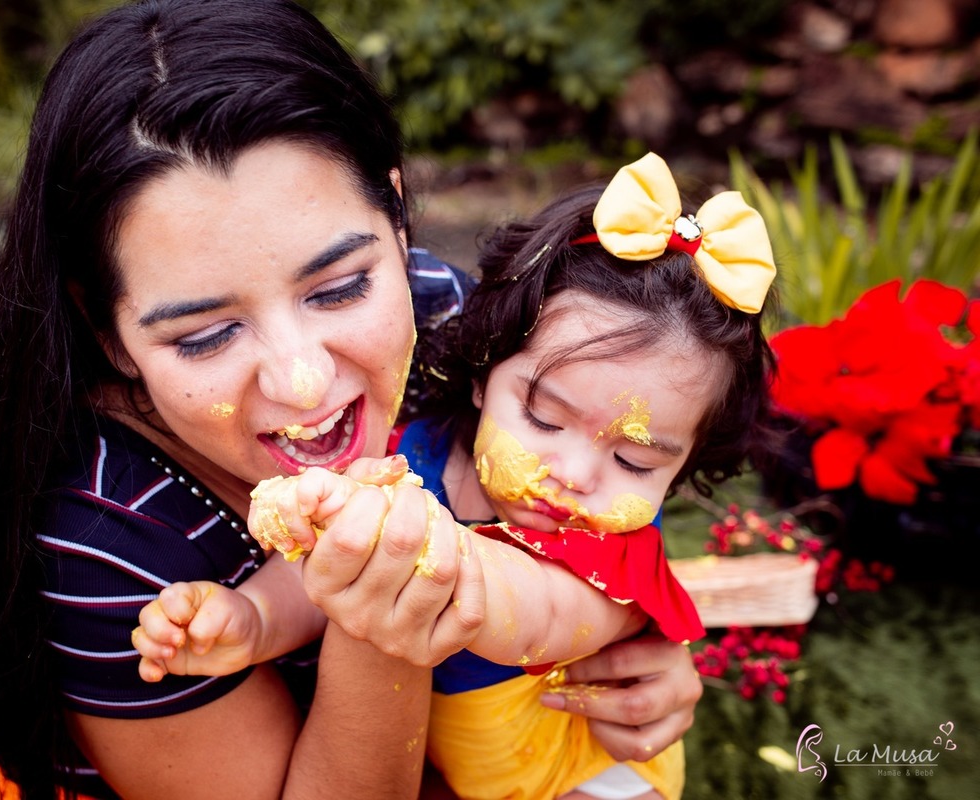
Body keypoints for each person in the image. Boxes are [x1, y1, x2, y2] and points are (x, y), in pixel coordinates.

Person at [0, 0, 703, 797]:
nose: (303, 381)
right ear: (106, 327)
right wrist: (384, 614)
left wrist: (630, 651)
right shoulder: (105, 534)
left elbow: (593, 512)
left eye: (339, 288)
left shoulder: (445, 321)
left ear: (395, 218)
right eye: (204, 335)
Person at [133, 152, 778, 799]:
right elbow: (328, 571)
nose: (576, 474)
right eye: (545, 418)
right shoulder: (417, 457)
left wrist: (414, 547)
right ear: (482, 377)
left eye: (634, 461)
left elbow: (531, 611)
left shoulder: (614, 556)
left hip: (589, 777)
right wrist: (255, 617)